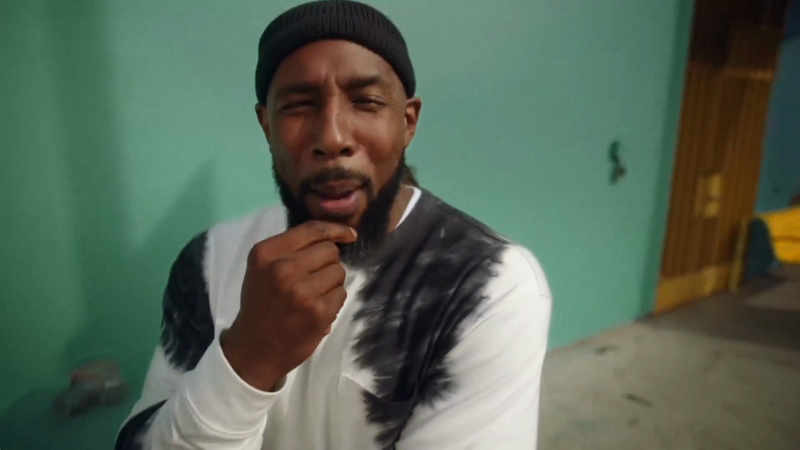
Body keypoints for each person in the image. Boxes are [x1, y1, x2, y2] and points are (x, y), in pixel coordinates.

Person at [115, 1, 551, 449]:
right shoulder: (210, 260)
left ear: (407, 123)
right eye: (299, 106)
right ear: (267, 125)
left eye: (366, 102)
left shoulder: (488, 285)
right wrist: (248, 357)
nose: (332, 138)